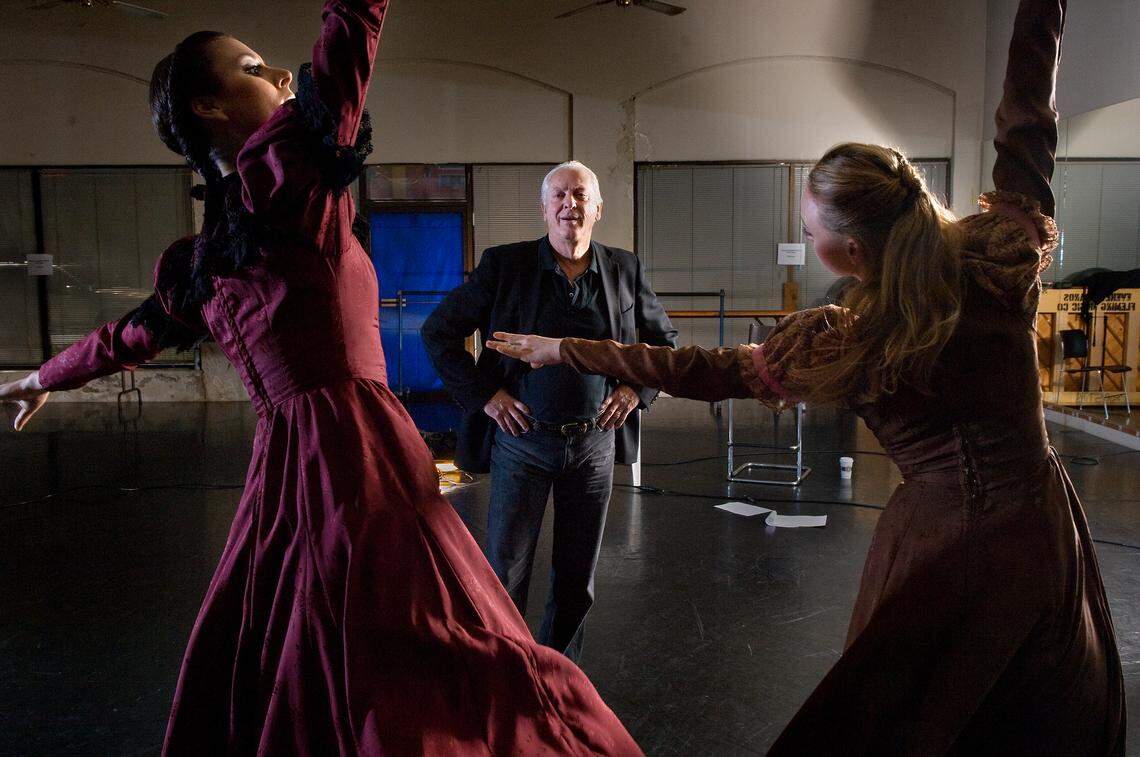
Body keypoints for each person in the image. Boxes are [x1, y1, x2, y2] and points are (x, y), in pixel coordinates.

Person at [0, 2, 643, 754]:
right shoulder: (291, 182)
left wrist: (44, 373)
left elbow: (126, 338)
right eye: (249, 68)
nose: (275, 73)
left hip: (286, 474)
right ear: (208, 107)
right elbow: (350, 32)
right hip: (358, 456)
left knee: (313, 646)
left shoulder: (214, 254)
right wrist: (43, 373)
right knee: (411, 646)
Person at [486, 0, 1125, 752]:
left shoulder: (857, 342)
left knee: (919, 714)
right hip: (1039, 524)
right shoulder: (996, 259)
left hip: (948, 549)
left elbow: (699, 369)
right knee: (1040, 710)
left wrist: (568, 350)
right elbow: (1028, 125)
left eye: (812, 230)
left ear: (848, 254)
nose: (805, 236)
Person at [422, 161, 677, 662]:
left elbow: (661, 343)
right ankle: (507, 670)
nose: (570, 203)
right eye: (559, 195)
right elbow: (438, 332)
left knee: (577, 577)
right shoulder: (504, 267)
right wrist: (487, 398)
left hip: (594, 447)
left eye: (581, 194)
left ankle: (560, 674)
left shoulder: (626, 269)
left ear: (598, 208)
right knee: (506, 570)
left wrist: (632, 392)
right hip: (523, 443)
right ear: (543, 209)